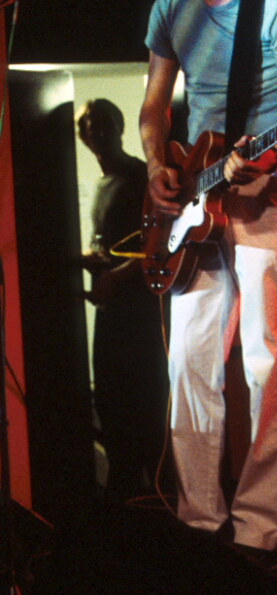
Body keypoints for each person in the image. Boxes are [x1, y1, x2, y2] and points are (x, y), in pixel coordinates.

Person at [139, 0, 277, 555]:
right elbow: (154, 108)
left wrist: (270, 152)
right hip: (196, 198)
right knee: (189, 364)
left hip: (266, 196)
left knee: (268, 367)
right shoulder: (169, 10)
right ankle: (198, 523)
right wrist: (157, 166)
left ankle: (258, 532)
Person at [76, 98, 168, 502]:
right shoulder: (103, 183)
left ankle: (155, 491)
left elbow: (161, 240)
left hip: (139, 309)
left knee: (143, 394)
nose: (95, 132)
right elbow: (117, 244)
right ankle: (125, 490)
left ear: (119, 127)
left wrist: (117, 275)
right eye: (87, 126)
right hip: (111, 309)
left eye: (102, 124)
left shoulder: (138, 176)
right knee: (111, 396)